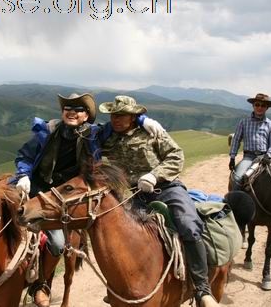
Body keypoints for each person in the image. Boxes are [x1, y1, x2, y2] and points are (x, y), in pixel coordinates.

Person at [14, 93, 164, 307]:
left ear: (87, 116)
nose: (72, 112)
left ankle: (41, 285)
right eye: (68, 108)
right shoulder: (47, 132)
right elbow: (25, 156)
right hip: (39, 187)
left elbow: (118, 123)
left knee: (57, 242)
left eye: (79, 109)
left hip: (68, 197)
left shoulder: (93, 134)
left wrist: (142, 119)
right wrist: (22, 176)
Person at [98, 95, 219, 307]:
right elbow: (85, 132)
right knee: (124, 237)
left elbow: (176, 155)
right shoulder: (107, 138)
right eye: (113, 115)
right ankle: (123, 288)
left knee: (189, 225)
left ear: (133, 117)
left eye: (121, 115)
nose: (115, 119)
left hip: (167, 188)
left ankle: (202, 289)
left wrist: (155, 175)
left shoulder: (152, 132)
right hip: (136, 194)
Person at [229, 93, 271, 191]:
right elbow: (236, 140)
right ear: (253, 106)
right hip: (249, 157)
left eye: (263, 105)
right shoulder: (243, 122)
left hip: (265, 157)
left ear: (267, 108)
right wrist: (232, 157)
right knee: (237, 178)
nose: (259, 107)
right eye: (257, 105)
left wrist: (268, 155)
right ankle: (235, 201)